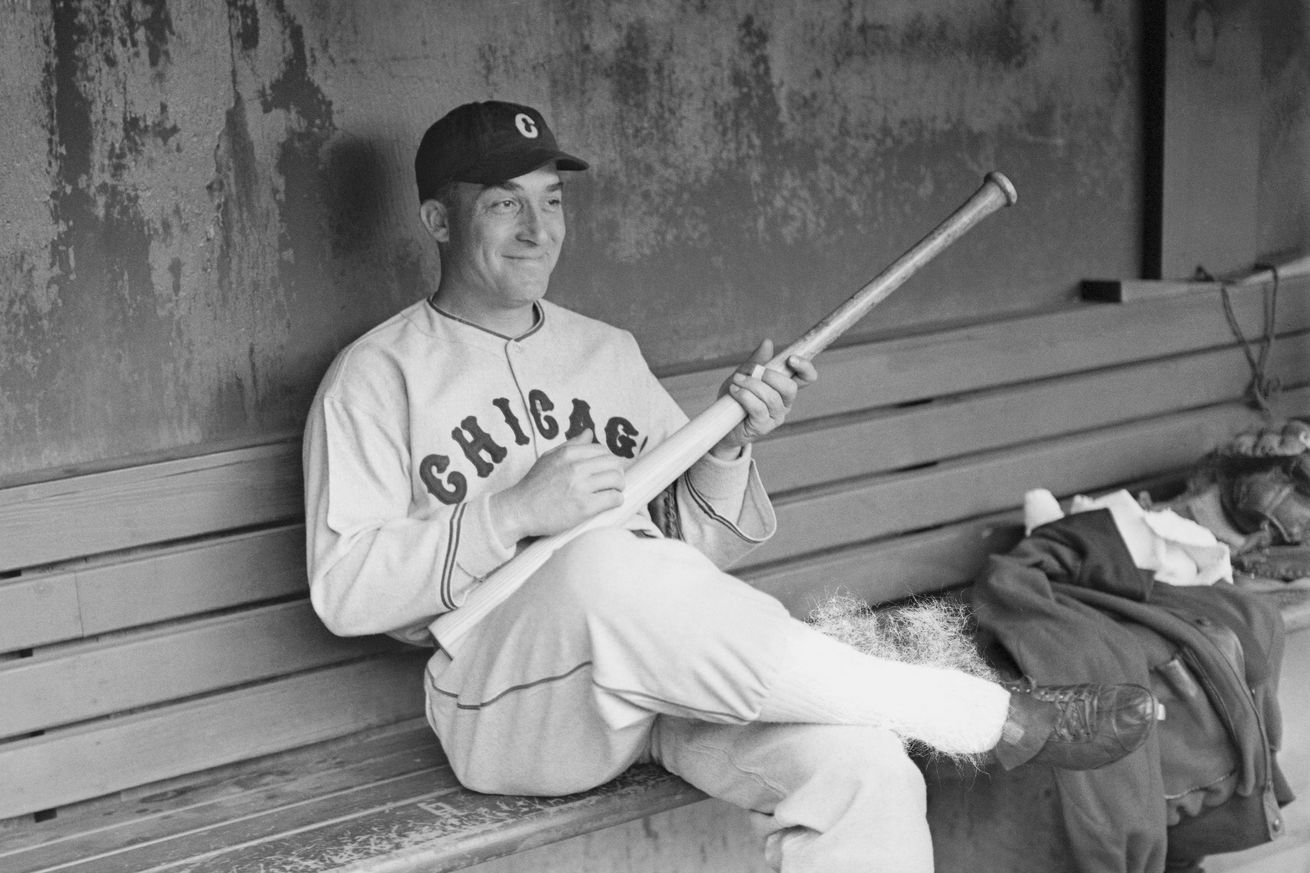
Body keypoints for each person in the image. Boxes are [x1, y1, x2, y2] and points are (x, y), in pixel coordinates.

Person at [303, 100, 1158, 872]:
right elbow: (345, 590)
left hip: (663, 681)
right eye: (503, 203)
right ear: (436, 220)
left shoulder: (604, 351)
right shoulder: (377, 378)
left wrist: (731, 443)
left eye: (552, 200)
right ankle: (973, 711)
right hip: (503, 698)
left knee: (863, 770)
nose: (537, 227)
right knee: (603, 566)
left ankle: (953, 714)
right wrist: (513, 512)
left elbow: (686, 550)